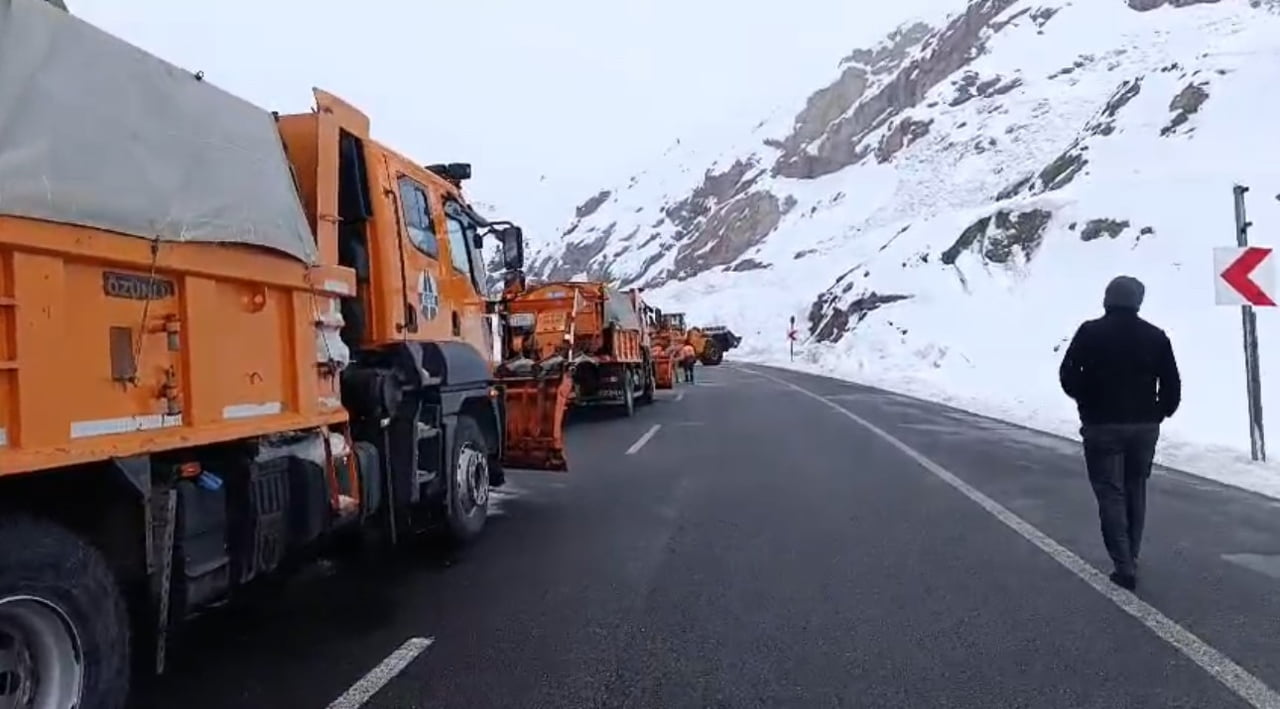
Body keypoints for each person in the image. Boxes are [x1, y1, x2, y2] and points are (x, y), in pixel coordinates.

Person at [1059, 275, 1181, 591]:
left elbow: (1068, 374)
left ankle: (1123, 564)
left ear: (1107, 299)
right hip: (1144, 427)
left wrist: (1086, 400)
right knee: (1135, 488)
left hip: (1102, 425)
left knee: (1110, 493)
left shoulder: (1090, 332)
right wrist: (1159, 412)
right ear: (1137, 301)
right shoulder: (1156, 336)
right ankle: (1132, 555)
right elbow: (1172, 386)